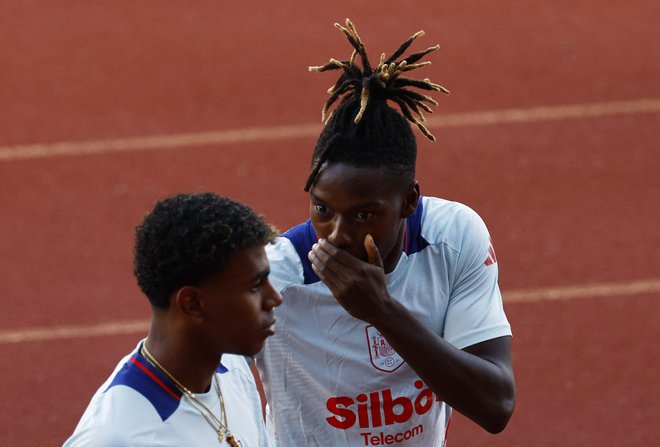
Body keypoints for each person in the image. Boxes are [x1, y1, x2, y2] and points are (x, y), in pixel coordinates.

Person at [257, 19, 515, 446]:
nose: (336, 235)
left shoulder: (452, 239)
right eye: (322, 208)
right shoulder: (275, 277)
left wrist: (382, 312)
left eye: (363, 216)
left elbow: (496, 405)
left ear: (409, 202)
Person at [64, 192, 281, 446]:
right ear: (192, 304)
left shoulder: (231, 368)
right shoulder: (115, 438)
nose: (274, 298)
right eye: (255, 286)